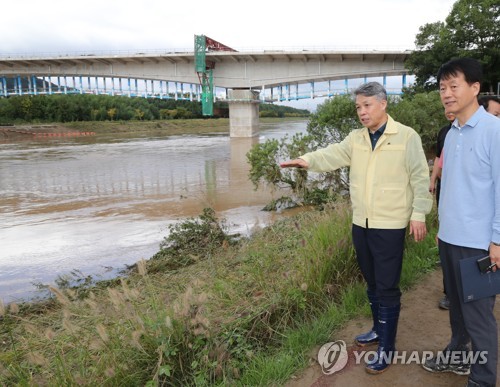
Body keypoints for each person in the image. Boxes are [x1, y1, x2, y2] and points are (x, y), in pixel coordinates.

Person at [280, 82, 432, 374]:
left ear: (383, 104)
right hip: (361, 223)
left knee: (387, 286)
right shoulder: (356, 139)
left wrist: (419, 214)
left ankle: (387, 348)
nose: (362, 112)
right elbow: (332, 154)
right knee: (372, 281)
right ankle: (378, 330)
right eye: (358, 107)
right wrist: (306, 160)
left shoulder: (406, 136)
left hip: (390, 224)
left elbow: (419, 177)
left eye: (367, 105)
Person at [422, 58, 500, 387]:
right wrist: (442, 229)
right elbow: (452, 188)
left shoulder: (493, 131)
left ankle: (481, 381)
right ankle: (457, 355)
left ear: (475, 88)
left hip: (479, 245)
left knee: (479, 318)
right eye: (442, 88)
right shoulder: (451, 132)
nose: (447, 94)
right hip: (451, 239)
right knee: (456, 308)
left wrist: (497, 240)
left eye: (454, 86)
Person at [429, 111, 455, 310]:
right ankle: (449, 293)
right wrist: (432, 181)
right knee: (445, 238)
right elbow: (439, 159)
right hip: (445, 190)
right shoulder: (445, 133)